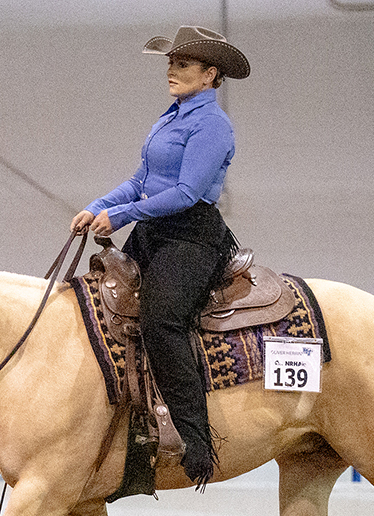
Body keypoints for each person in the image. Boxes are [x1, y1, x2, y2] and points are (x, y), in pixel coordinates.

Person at [71, 25, 250, 490]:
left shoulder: (212, 125)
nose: (172, 70)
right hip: (154, 232)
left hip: (191, 237)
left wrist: (122, 215)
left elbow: (188, 193)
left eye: (184, 64)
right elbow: (140, 180)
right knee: (102, 307)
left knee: (161, 319)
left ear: (211, 75)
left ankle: (195, 441)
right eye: (172, 62)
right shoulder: (169, 118)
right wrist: (97, 206)